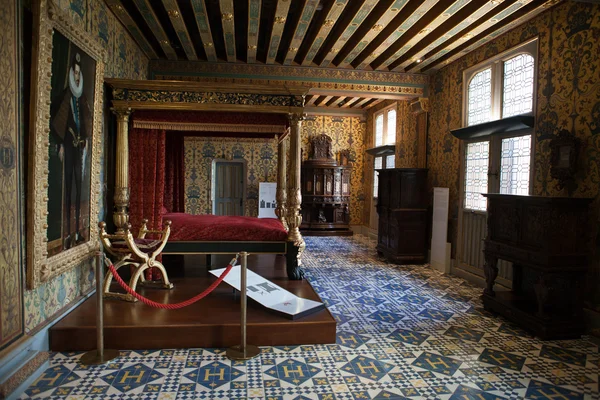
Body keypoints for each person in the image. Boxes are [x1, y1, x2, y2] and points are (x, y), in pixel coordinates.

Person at [51, 52, 92, 249]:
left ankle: (76, 230)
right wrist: (59, 144)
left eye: (79, 73)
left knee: (79, 185)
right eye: (74, 73)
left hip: (79, 148)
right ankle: (66, 231)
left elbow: (86, 124)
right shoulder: (66, 97)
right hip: (67, 145)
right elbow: (57, 120)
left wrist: (85, 141)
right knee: (68, 187)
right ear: (71, 74)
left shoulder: (82, 99)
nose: (77, 76)